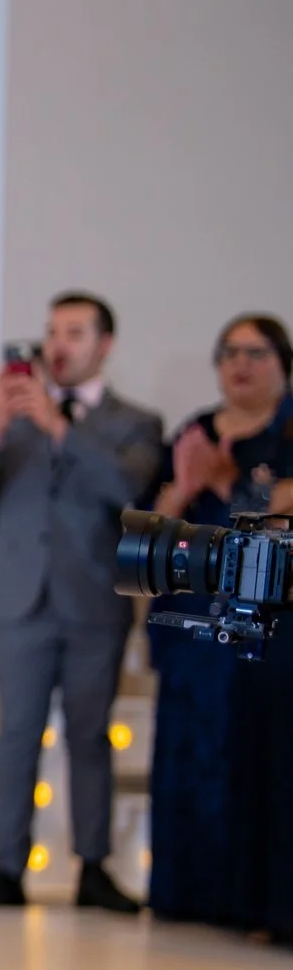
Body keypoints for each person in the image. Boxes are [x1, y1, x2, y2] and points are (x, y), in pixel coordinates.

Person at [0, 291, 165, 914]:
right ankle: (5, 866)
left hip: (94, 598)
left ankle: (92, 865)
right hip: (21, 599)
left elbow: (129, 489)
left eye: (74, 332)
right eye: (51, 331)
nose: (58, 345)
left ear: (104, 344)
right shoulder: (9, 415)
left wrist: (59, 428)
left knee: (91, 735)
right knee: (16, 734)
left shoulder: (133, 423)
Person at [141, 314, 293, 928]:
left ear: (282, 363)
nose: (241, 364)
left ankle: (261, 902)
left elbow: (274, 511)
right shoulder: (195, 431)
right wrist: (186, 485)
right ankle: (193, 896)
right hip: (196, 615)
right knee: (193, 748)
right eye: (230, 352)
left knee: (262, 754)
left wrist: (230, 482)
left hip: (270, 623)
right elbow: (158, 520)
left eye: (256, 353)